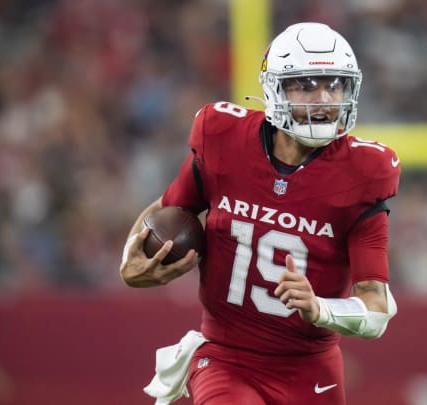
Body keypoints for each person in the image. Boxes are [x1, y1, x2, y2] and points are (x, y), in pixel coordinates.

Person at [119, 22, 400, 405]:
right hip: (226, 357)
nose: (323, 98)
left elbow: (376, 310)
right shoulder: (223, 137)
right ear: (275, 88)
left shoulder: (363, 172)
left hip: (311, 368)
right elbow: (169, 209)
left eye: (334, 84)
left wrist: (318, 308)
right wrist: (129, 259)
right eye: (306, 84)